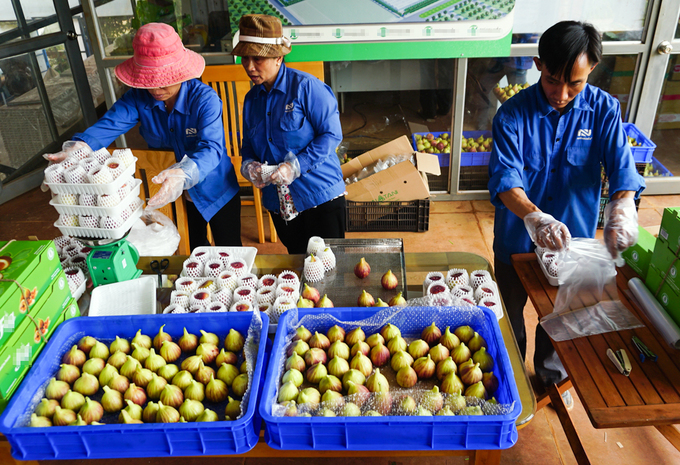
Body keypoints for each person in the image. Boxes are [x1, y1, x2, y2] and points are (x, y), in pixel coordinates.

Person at [488, 21, 645, 406]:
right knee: (508, 315)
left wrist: (623, 205)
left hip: (571, 243)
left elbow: (622, 168)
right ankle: (510, 379)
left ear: (592, 68)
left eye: (574, 83)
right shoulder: (512, 115)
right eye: (553, 80)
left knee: (559, 317)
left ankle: (550, 377)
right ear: (539, 65)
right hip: (516, 241)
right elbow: (506, 180)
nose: (561, 94)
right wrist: (534, 217)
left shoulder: (604, 110)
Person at [46, 23, 241, 249]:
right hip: (168, 193)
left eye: (164, 79)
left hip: (214, 187)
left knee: (230, 248)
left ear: (181, 71)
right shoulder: (139, 98)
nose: (156, 89)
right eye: (150, 80)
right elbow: (111, 123)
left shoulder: (204, 100)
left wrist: (184, 173)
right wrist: (81, 145)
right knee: (194, 249)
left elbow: (212, 148)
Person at [232, 14, 346, 254]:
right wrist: (249, 165)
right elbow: (249, 145)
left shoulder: (306, 87)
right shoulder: (251, 99)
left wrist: (296, 166)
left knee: (327, 266)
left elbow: (331, 135)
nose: (249, 66)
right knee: (296, 259)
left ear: (278, 57)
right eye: (245, 57)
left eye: (258, 58)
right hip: (279, 202)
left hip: (318, 196)